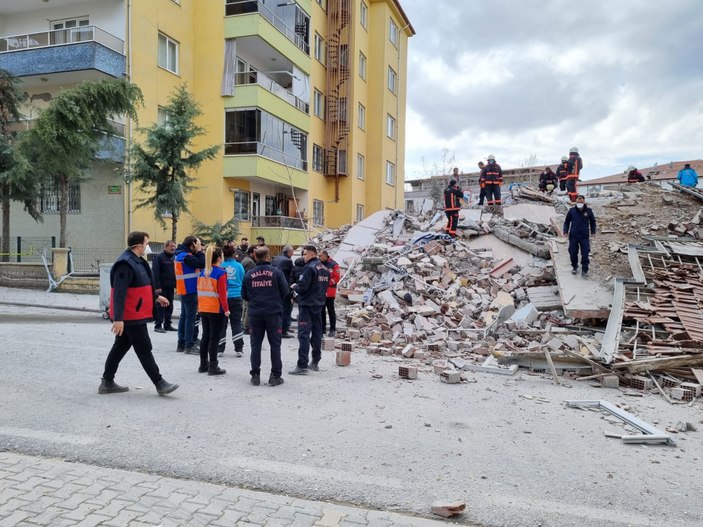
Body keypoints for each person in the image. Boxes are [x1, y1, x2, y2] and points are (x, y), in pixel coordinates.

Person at [99, 231, 179, 396]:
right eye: (146, 243)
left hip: (134, 313)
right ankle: (160, 383)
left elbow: (141, 285)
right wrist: (118, 319)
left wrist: (156, 297)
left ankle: (107, 382)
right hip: (130, 315)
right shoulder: (125, 264)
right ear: (138, 245)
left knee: (120, 347)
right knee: (144, 348)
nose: (147, 246)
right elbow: (119, 293)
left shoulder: (137, 261)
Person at [242, 246, 289, 386]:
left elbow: (244, 295)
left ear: (255, 257)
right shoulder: (276, 273)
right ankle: (275, 376)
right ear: (268, 257)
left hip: (255, 313)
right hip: (273, 313)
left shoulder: (249, 274)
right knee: (275, 344)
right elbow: (285, 291)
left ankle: (255, 375)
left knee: (255, 344)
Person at [289, 245, 329, 375]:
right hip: (319, 305)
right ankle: (315, 361)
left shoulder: (309, 268)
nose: (303, 257)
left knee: (304, 334)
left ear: (312, 254)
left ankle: (302, 365)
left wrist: (295, 287)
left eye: (305, 254)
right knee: (317, 333)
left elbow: (303, 287)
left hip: (307, 305)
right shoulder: (324, 268)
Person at [196, 246, 229, 375]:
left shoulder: (203, 272)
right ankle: (213, 366)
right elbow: (222, 294)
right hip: (216, 309)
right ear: (219, 258)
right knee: (214, 338)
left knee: (205, 336)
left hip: (204, 308)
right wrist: (226, 310)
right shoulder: (220, 273)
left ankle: (203, 364)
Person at [174, 236, 205, 354]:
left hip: (184, 289)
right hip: (190, 289)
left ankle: (181, 344)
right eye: (198, 244)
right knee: (190, 318)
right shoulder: (186, 256)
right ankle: (189, 345)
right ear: (192, 245)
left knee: (184, 316)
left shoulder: (180, 254)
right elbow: (201, 264)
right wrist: (199, 251)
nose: (199, 246)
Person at [219, 242, 245, 357]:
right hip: (236, 297)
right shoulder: (239, 266)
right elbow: (243, 280)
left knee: (221, 324)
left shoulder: (220, 266)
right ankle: (239, 348)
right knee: (236, 322)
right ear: (234, 254)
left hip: (223, 298)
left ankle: (220, 348)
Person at [563, 195, 596, 278]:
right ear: (576, 202)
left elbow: (593, 222)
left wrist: (593, 231)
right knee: (573, 253)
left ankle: (585, 270)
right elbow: (566, 222)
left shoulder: (588, 211)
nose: (579, 203)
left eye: (581, 202)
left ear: (584, 202)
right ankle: (574, 266)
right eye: (578, 202)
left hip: (584, 237)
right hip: (573, 236)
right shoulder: (572, 211)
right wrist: (565, 231)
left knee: (585, 254)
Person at [152, 240, 176, 333]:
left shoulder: (174, 258)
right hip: (161, 287)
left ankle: (167, 324)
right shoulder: (159, 257)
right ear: (165, 247)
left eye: (174, 246)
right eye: (171, 246)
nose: (173, 248)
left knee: (170, 305)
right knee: (160, 306)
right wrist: (157, 287)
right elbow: (155, 272)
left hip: (170, 286)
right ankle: (158, 325)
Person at [272, 245, 295, 337]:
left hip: (274, 288)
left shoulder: (276, 258)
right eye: (292, 251)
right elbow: (291, 275)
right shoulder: (288, 261)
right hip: (284, 288)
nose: (293, 253)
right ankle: (283, 331)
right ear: (289, 252)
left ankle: (276, 328)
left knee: (277, 309)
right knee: (286, 310)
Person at [319, 249, 340, 337]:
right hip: (320, 291)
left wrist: (327, 283)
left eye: (320, 256)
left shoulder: (334, 264)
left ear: (325, 255)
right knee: (321, 311)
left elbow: (337, 277)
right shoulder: (319, 264)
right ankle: (322, 328)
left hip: (330, 292)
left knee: (331, 311)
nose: (319, 258)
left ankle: (332, 329)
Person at [240, 245, 256, 335]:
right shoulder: (250, 262)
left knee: (245, 307)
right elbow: (251, 276)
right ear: (251, 253)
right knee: (248, 307)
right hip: (248, 287)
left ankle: (243, 325)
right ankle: (246, 327)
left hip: (245, 286)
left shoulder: (246, 260)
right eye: (254, 252)